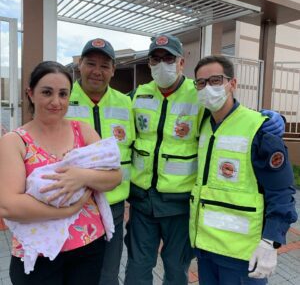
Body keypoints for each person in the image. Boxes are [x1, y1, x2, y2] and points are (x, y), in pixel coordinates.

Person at [124, 34, 285, 285]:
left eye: (169, 58)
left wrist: (269, 118)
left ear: (181, 62)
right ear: (149, 63)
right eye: (156, 59)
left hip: (179, 204)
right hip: (143, 201)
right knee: (137, 266)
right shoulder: (136, 96)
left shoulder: (199, 92)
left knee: (177, 269)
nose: (162, 63)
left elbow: (232, 115)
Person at [0, 61, 122, 285]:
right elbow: (8, 205)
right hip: (38, 253)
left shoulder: (82, 130)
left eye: (63, 94)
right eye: (47, 92)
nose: (56, 102)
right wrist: (71, 209)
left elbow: (114, 176)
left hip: (88, 246)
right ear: (31, 94)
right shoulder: (15, 142)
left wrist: (81, 176)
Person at [189, 55, 298, 285]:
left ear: (233, 84)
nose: (208, 88)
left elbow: (282, 192)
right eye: (201, 82)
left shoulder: (259, 129)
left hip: (243, 256)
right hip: (206, 251)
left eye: (215, 80)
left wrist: (271, 241)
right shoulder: (204, 126)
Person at [65, 38, 135, 285]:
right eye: (91, 63)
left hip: (113, 205)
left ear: (113, 70)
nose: (97, 71)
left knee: (108, 274)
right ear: (80, 65)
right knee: (74, 273)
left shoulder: (126, 103)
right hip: (72, 206)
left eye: (105, 65)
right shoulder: (62, 99)